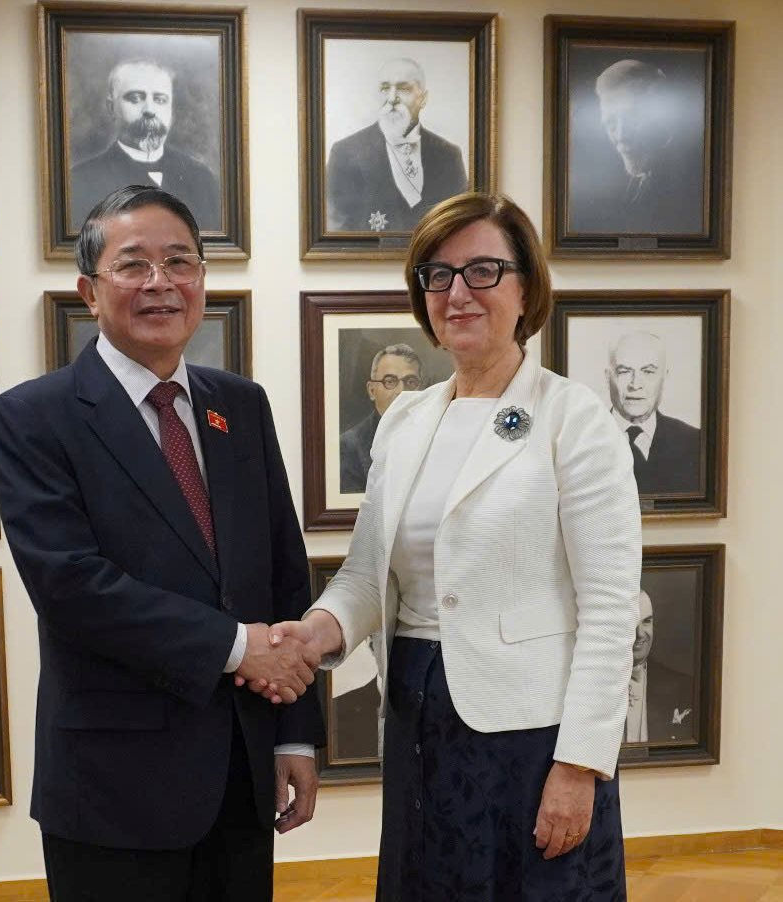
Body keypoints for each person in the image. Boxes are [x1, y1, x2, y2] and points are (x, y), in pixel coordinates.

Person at [263, 193, 642, 898]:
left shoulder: (574, 418)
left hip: (534, 735)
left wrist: (580, 765)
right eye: (437, 275)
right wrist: (313, 634)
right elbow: (367, 574)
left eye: (482, 271)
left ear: (525, 287)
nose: (458, 293)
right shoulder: (405, 420)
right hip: (418, 714)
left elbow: (610, 608)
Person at [0, 185, 324, 901]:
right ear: (89, 291)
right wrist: (236, 646)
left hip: (240, 773)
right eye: (133, 264)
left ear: (202, 280)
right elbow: (71, 587)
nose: (161, 282)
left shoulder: (240, 405)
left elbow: (282, 575)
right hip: (112, 787)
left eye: (180, 262)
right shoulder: (33, 418)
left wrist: (294, 734)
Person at [70, 60, 221, 232]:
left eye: (160, 100)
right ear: (111, 108)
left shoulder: (202, 179)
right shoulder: (79, 182)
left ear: (171, 108)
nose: (150, 110)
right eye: (135, 98)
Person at [326, 57, 468, 233]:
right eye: (385, 88)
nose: (392, 98)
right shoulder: (345, 153)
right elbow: (335, 232)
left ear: (423, 99)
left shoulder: (448, 156)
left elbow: (461, 228)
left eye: (404, 89)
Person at [571, 58, 704, 235]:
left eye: (632, 119)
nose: (621, 136)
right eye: (611, 122)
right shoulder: (623, 188)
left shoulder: (691, 187)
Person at [607, 330, 702, 495]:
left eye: (648, 372)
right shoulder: (582, 439)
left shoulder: (695, 442)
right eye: (624, 371)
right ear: (608, 377)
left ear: (665, 378)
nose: (635, 384)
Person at [340, 343, 423, 493]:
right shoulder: (350, 445)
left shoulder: (434, 436)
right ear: (372, 391)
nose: (401, 391)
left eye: (411, 382)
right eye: (390, 381)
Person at [627, 590, 695, 744]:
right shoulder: (587, 685)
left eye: (646, 621)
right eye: (631, 622)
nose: (640, 633)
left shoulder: (684, 688)